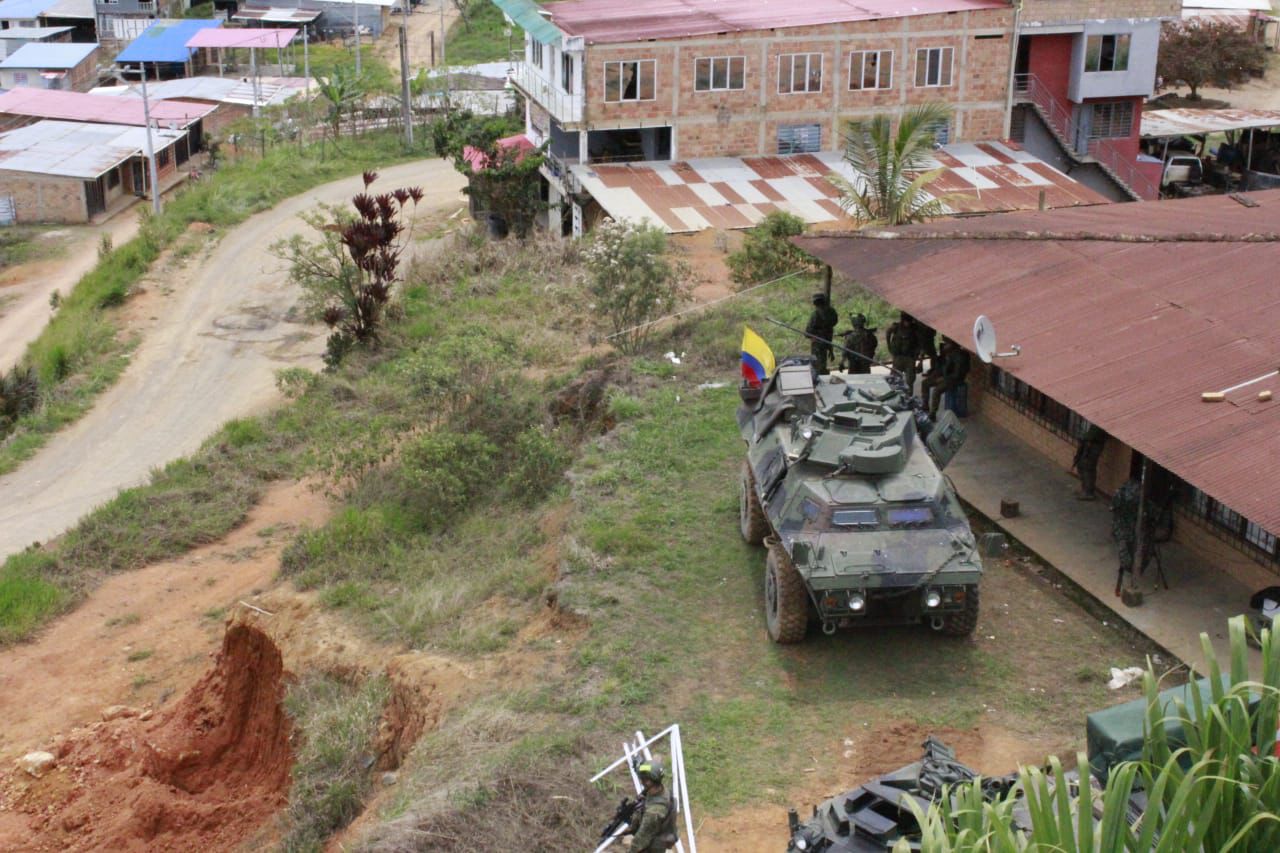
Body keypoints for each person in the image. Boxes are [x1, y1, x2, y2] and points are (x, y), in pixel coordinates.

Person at [623, 758, 678, 852]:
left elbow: (640, 840)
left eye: (643, 779)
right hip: (655, 834)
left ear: (648, 781)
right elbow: (648, 771)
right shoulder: (661, 789)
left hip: (652, 846)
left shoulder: (654, 812)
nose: (641, 781)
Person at [921, 338, 969, 418]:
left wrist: (944, 378)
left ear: (952, 345)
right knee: (925, 383)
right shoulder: (947, 353)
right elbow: (941, 367)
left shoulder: (960, 356)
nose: (944, 346)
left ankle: (933, 413)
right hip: (945, 376)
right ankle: (925, 405)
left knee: (936, 390)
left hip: (954, 380)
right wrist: (934, 374)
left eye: (947, 344)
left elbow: (957, 374)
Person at [1111, 478, 1142, 598]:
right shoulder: (1123, 496)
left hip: (1126, 530)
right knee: (1125, 555)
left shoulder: (1121, 494)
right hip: (1125, 530)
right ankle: (1129, 570)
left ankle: (1129, 570)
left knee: (1126, 552)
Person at [805, 293, 838, 375]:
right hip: (827, 340)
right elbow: (834, 323)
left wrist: (814, 333)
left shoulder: (815, 314)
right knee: (823, 362)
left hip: (818, 343)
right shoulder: (832, 312)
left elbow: (808, 332)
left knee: (817, 365)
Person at [1072, 424, 1108, 501]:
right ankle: (1085, 489)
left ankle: (1088, 492)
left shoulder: (1100, 422)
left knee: (1087, 467)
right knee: (1083, 466)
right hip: (1092, 444)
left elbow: (1093, 434)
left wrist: (1085, 438)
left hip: (1094, 445)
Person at [886, 313, 918, 391]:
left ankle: (909, 399)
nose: (908, 323)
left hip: (910, 358)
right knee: (894, 380)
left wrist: (919, 357)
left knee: (909, 381)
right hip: (898, 357)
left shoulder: (914, 329)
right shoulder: (896, 327)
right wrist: (889, 346)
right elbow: (888, 332)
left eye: (909, 321)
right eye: (906, 321)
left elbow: (920, 343)